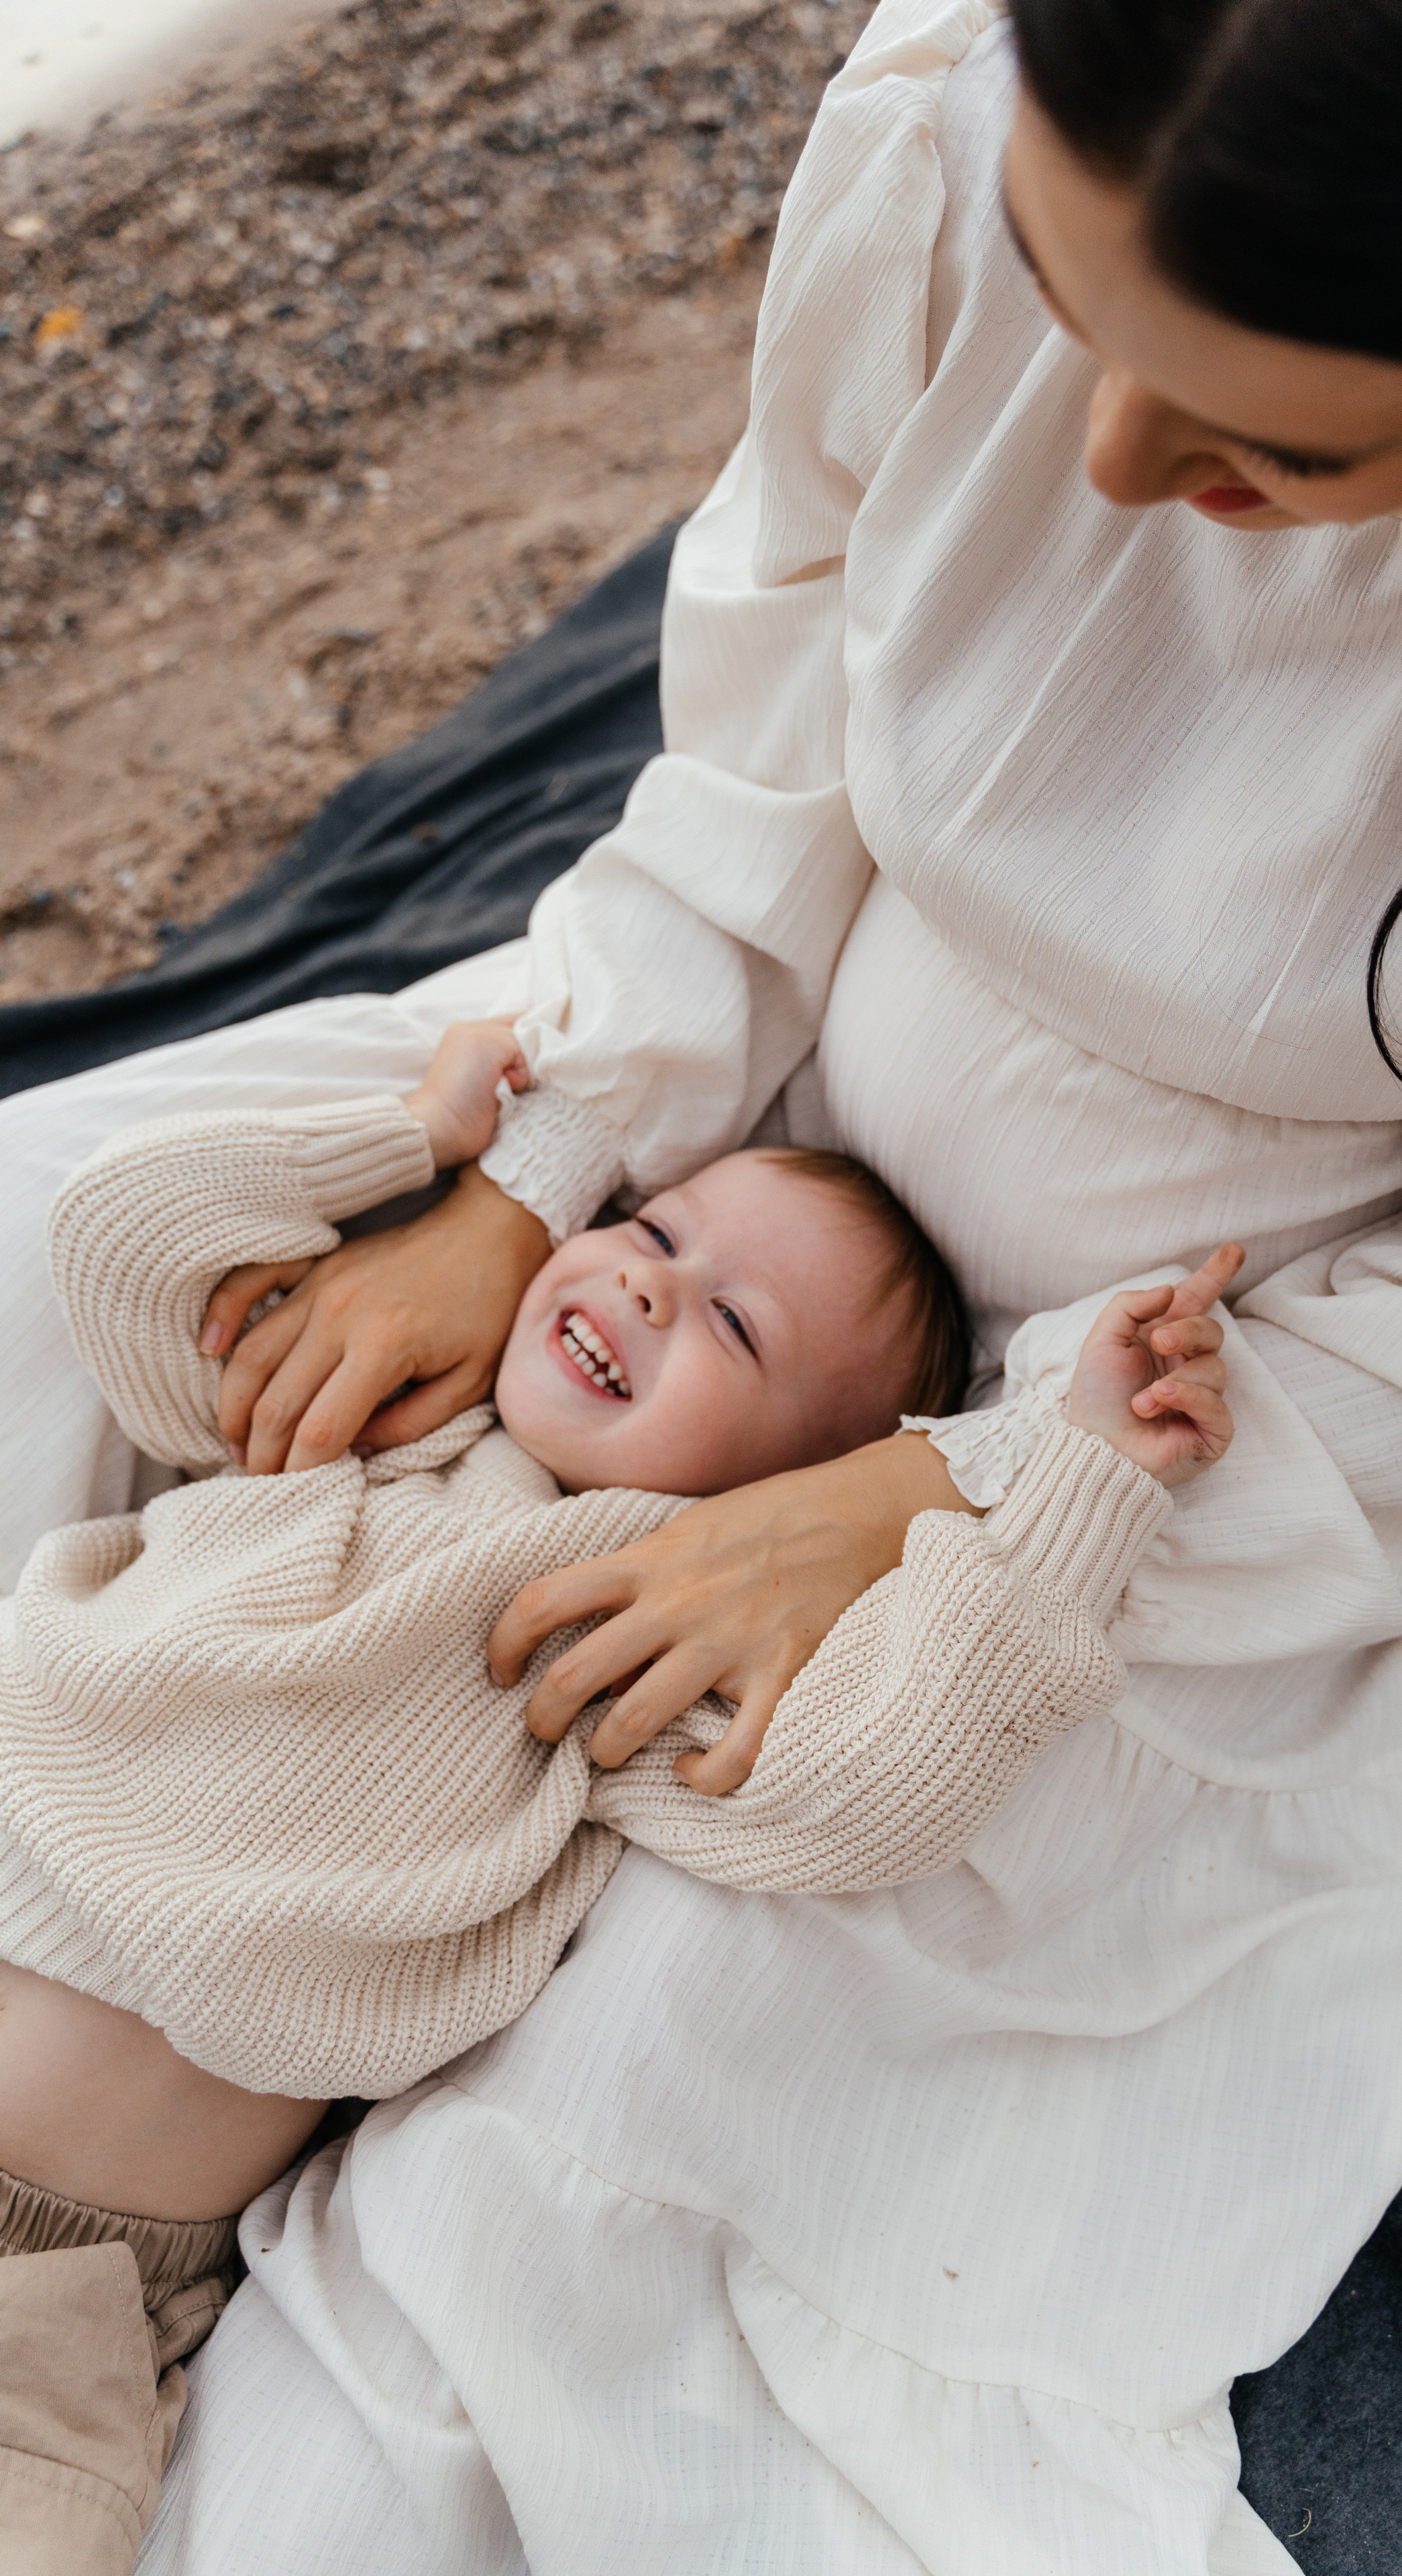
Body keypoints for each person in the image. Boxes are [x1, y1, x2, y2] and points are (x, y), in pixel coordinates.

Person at [0, 0, 1402, 2563]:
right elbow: (777, 740)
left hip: (1184, 1453)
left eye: (1275, 440)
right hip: (731, 1138)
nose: (1106, 464)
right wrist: (546, 1158)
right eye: (1068, 305)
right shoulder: (951, 118)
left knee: (581, 2292)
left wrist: (937, 1502)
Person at [0, 1015, 1238, 2569]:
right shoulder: (345, 1417)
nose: (651, 1280)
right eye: (651, 1232)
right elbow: (119, 1236)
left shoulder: (637, 1647)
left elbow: (876, 1784)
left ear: (782, 1489)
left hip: (65, 2291)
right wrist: (466, 1152)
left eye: (734, 1331)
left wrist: (1078, 1483)